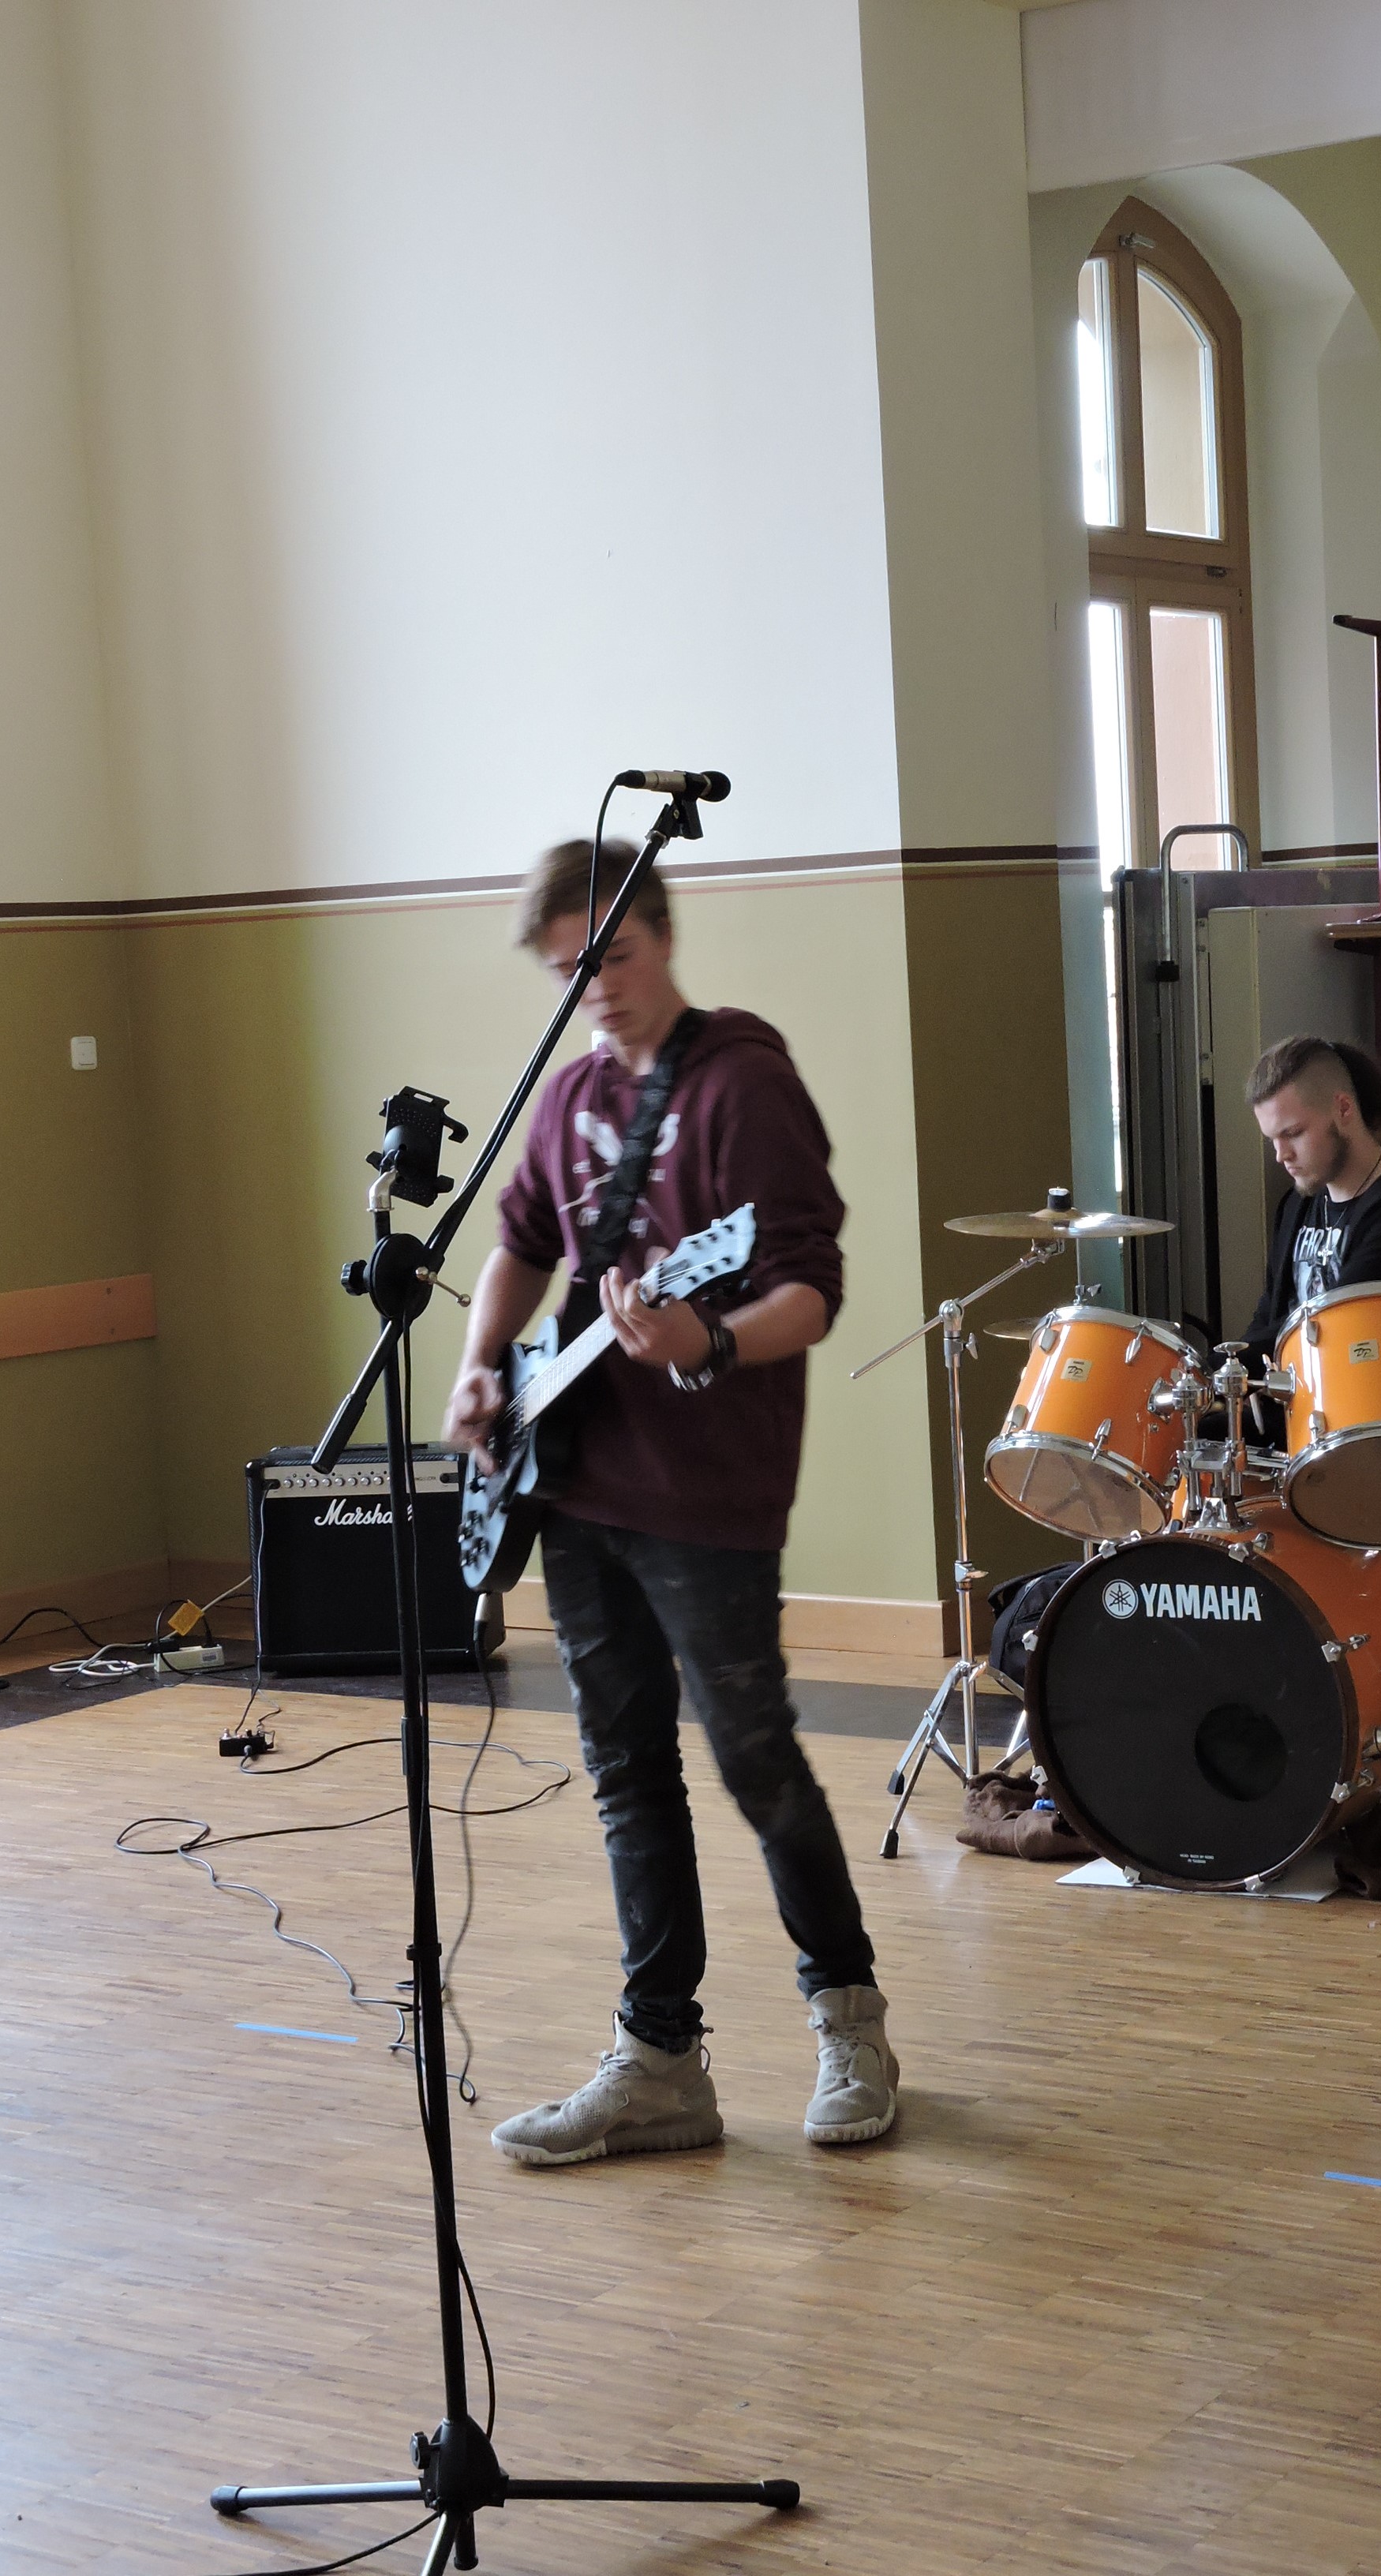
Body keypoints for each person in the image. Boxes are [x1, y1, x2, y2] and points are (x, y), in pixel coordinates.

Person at [442, 839, 896, 2165]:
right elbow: (520, 1243)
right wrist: (479, 1364)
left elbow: (810, 1289)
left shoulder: (743, 1083)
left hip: (707, 1492)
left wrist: (709, 1341)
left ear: (663, 935)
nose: (594, 987)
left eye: (613, 955)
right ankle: (658, 2062)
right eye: (566, 970)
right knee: (625, 1769)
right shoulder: (569, 1095)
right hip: (576, 1478)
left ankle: (850, 2020)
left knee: (754, 1756)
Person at [1241, 1034, 1381, 1370]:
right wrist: (1227, 1370)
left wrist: (1212, 1367)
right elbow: (1269, 1316)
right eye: (1272, 1139)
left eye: (1293, 1133)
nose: (1281, 1155)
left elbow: (1336, 1323)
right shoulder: (1298, 1206)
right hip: (1301, 1392)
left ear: (1344, 1108)